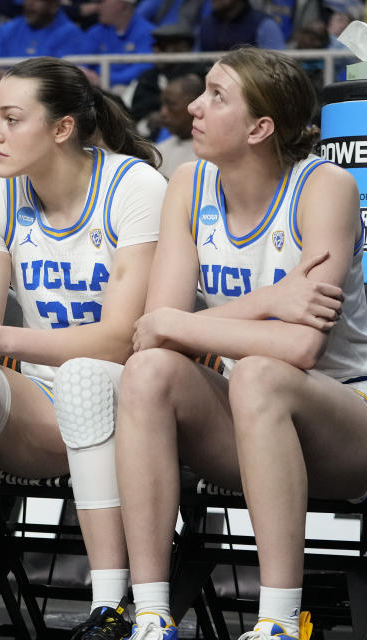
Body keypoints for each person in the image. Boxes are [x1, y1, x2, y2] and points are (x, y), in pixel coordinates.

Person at [0, 56, 167, 639]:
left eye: (11, 119)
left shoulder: (135, 186)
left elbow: (122, 340)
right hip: (39, 408)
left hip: (133, 403)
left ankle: (112, 605)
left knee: (86, 377)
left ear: (62, 127)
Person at [115, 47, 367, 640]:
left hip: (346, 420)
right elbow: (152, 328)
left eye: (217, 96)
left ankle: (278, 620)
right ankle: (151, 614)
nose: (195, 107)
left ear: (260, 128)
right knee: (148, 371)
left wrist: (183, 325)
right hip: (249, 420)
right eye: (204, 91)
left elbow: (302, 350)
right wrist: (269, 301)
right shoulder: (188, 181)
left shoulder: (323, 185)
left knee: (258, 371)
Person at [154, 74, 202, 177]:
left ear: (194, 105)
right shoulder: (159, 151)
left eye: (171, 104)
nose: (163, 113)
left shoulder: (212, 155)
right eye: (162, 104)